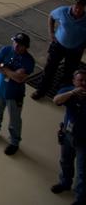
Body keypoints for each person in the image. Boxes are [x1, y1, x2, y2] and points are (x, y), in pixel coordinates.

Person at [0, 32, 34, 155]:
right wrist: (10, 71)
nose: (16, 46)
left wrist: (3, 67)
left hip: (14, 95)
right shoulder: (6, 50)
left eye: (20, 44)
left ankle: (14, 142)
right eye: (15, 42)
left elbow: (19, 78)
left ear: (26, 47)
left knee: (14, 120)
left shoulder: (29, 61)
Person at [37, 0, 86, 101]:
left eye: (80, 8)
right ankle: (41, 90)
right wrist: (51, 32)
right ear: (72, 5)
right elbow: (51, 16)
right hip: (58, 45)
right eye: (76, 7)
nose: (77, 10)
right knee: (50, 68)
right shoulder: (62, 11)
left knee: (69, 72)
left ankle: (62, 93)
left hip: (75, 50)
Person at [53, 68, 86, 202]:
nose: (83, 83)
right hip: (68, 135)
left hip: (84, 140)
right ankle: (65, 183)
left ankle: (80, 198)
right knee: (65, 162)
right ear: (74, 81)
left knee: (82, 171)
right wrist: (72, 93)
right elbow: (57, 100)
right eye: (80, 80)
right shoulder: (68, 91)